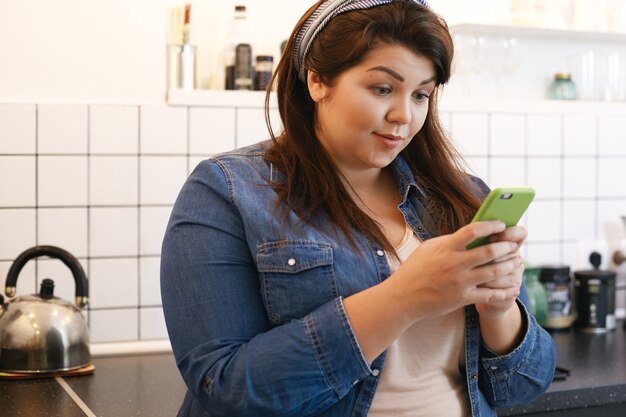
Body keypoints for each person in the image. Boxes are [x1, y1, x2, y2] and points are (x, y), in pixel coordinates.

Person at [160, 1, 556, 416]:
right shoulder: (227, 190)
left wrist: (500, 308)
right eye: (382, 88)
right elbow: (225, 388)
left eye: (421, 94)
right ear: (317, 80)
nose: (404, 114)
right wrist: (406, 297)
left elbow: (522, 387)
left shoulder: (460, 196)